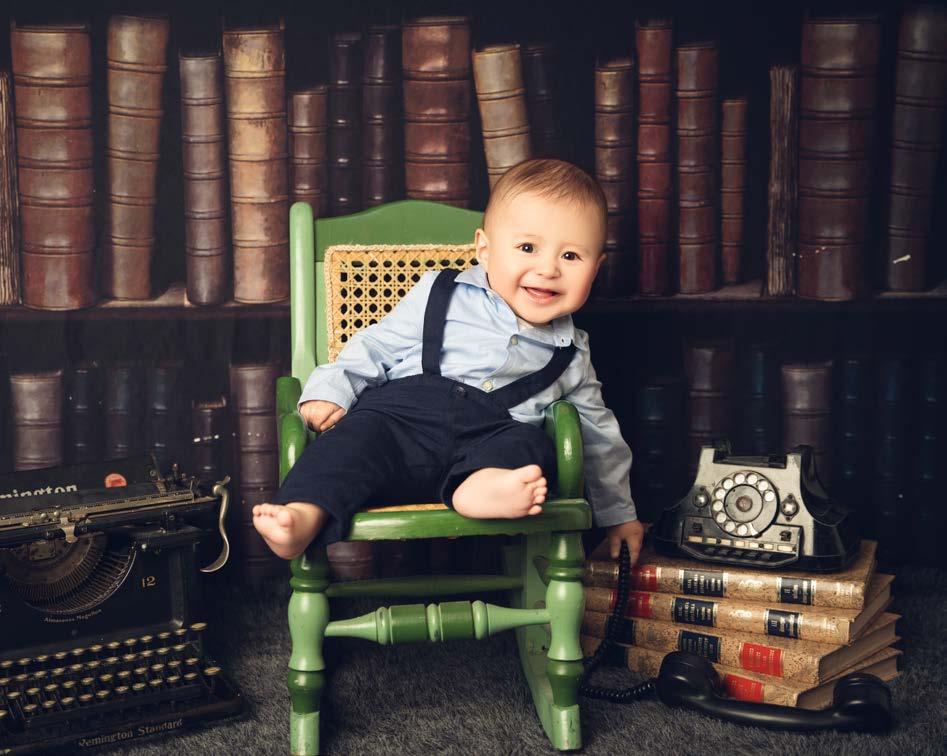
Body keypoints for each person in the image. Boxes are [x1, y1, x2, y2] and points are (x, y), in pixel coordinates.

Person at [252, 158, 644, 565]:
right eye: (527, 248)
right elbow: (376, 345)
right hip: (401, 424)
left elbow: (599, 436)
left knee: (531, 445)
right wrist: (332, 389)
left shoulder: (572, 352)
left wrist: (619, 515)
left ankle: (480, 488)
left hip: (489, 441)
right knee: (353, 439)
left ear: (595, 269)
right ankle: (303, 514)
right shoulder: (440, 292)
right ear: (485, 250)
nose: (547, 269)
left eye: (571, 256)